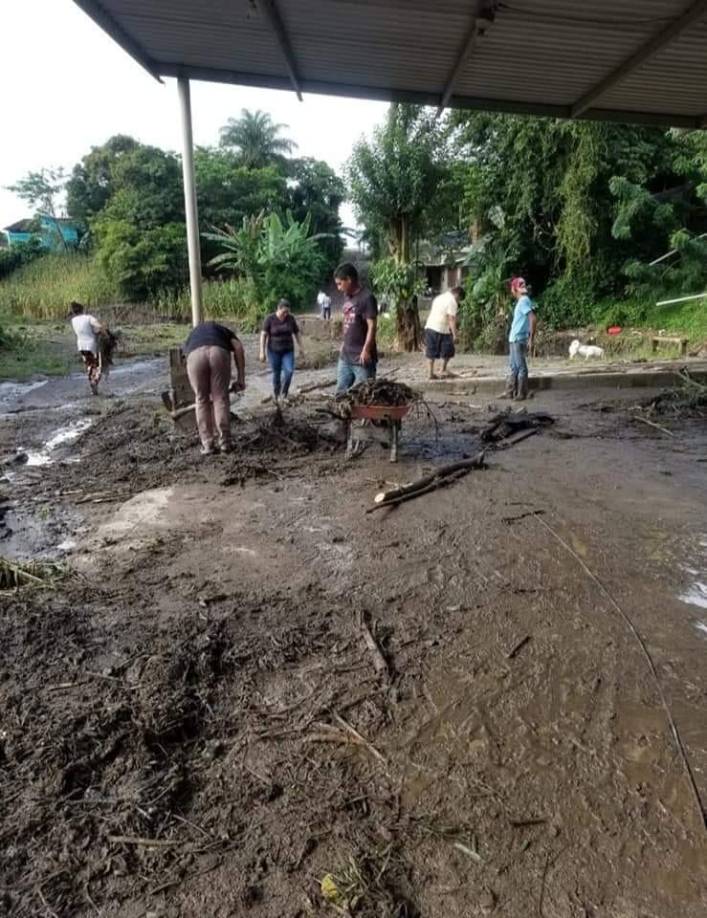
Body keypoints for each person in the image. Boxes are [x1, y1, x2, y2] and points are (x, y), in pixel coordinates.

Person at [183, 320, 246, 455]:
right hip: (218, 352)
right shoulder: (223, 331)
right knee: (220, 398)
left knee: (201, 399)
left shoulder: (193, 334)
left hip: (195, 356)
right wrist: (241, 377)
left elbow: (184, 355)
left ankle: (207, 444)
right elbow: (238, 347)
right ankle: (225, 443)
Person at [334, 262, 378, 394]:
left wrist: (366, 350)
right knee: (340, 393)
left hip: (361, 358)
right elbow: (348, 320)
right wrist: (344, 342)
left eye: (339, 284)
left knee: (364, 395)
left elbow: (372, 326)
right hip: (346, 356)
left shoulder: (367, 298)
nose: (338, 288)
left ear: (349, 279)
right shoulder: (347, 295)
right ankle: (342, 415)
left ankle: (364, 415)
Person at [260, 298, 304, 405]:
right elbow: (263, 335)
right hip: (273, 351)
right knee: (276, 373)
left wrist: (301, 347)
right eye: (284, 312)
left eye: (287, 312)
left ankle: (283, 394)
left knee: (289, 371)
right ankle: (276, 395)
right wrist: (262, 352)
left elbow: (297, 333)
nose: (286, 314)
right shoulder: (269, 319)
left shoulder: (291, 319)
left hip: (288, 351)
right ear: (278, 309)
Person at [504, 276, 536, 401]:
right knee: (514, 366)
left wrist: (531, 338)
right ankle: (510, 391)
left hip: (518, 338)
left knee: (520, 366)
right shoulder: (523, 301)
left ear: (514, 289)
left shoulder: (523, 301)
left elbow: (532, 318)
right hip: (514, 338)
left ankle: (521, 393)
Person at [424, 286, 465, 379]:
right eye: (459, 299)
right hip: (440, 327)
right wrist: (455, 335)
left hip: (432, 326)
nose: (459, 302)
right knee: (448, 350)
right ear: (458, 295)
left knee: (432, 351)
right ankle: (442, 369)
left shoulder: (440, 298)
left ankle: (431, 373)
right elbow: (451, 319)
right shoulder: (452, 302)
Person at [69, 301, 105, 395]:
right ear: (82, 309)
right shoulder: (88, 318)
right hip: (92, 345)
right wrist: (104, 332)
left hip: (81, 346)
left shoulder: (73, 321)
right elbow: (99, 327)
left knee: (89, 366)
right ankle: (94, 383)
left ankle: (94, 388)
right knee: (98, 367)